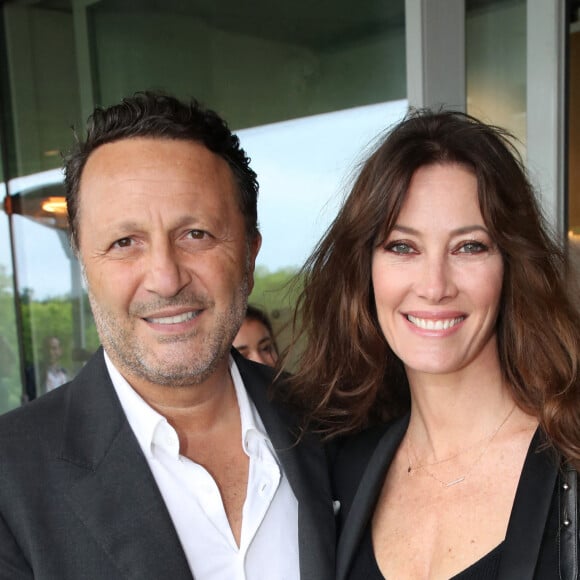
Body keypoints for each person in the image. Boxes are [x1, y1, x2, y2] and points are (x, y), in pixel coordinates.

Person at [0, 92, 335, 579]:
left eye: (195, 234)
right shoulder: (10, 478)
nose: (165, 276)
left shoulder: (329, 425)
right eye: (124, 242)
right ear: (84, 265)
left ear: (249, 253)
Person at [286, 109, 580, 579]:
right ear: (366, 269)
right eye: (403, 247)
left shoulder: (572, 457)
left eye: (469, 247)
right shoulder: (342, 470)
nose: (435, 285)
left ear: (511, 266)